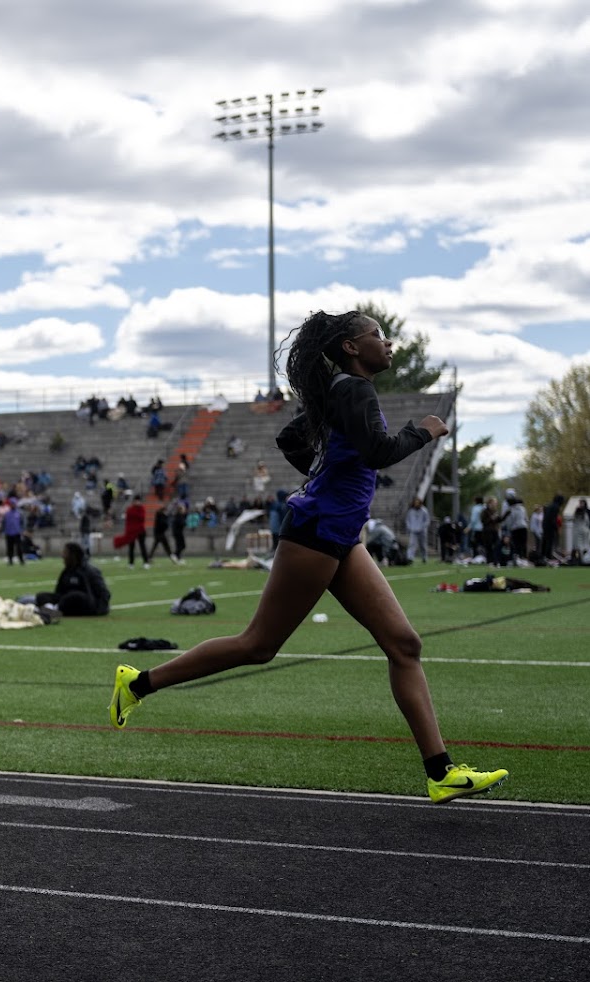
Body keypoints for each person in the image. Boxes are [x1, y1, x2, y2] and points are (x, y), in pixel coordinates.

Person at [107, 309, 507, 804]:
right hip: (317, 532)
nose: (388, 343)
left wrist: (324, 474)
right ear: (351, 347)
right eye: (378, 336)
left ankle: (440, 772)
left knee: (404, 645)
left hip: (342, 534)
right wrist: (423, 431)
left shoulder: (340, 391)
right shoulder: (354, 389)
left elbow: (292, 439)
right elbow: (379, 452)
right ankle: (138, 683)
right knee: (258, 645)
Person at [34, 542, 111, 616]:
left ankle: (54, 609)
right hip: (66, 602)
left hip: (87, 604)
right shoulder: (67, 571)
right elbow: (58, 592)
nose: (62, 556)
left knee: (74, 596)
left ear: (73, 555)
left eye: (65, 553)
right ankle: (49, 608)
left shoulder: (89, 571)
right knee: (42, 596)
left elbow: (104, 593)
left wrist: (99, 609)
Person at [114, 494, 152, 568]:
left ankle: (146, 562)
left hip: (140, 530)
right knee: (131, 547)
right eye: (136, 501)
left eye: (138, 501)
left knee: (142, 547)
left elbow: (142, 518)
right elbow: (129, 521)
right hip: (132, 531)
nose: (137, 502)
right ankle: (131, 563)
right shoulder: (130, 509)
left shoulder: (141, 509)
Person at [404, 496, 431, 563]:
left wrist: (422, 527)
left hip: (422, 531)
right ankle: (410, 557)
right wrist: (410, 527)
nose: (416, 504)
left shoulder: (424, 511)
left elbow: (427, 520)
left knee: (423, 545)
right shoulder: (411, 511)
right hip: (413, 530)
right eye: (415, 503)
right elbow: (408, 520)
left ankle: (424, 557)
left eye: (418, 503)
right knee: (412, 544)